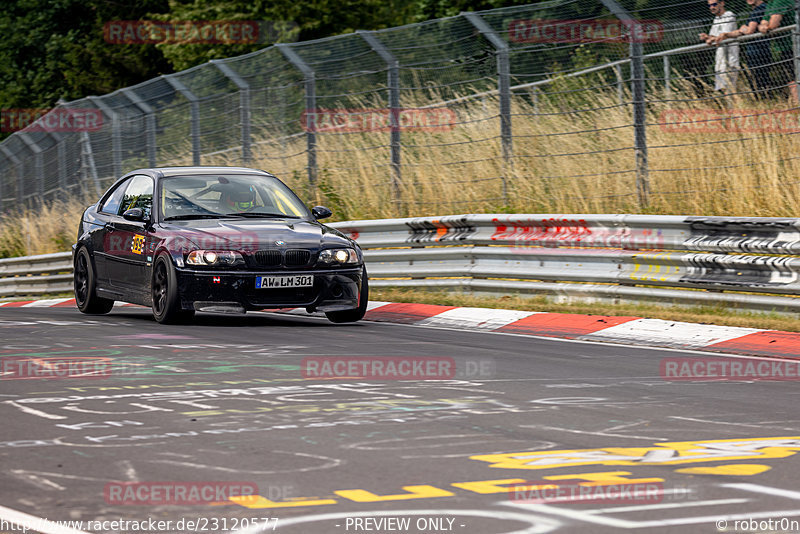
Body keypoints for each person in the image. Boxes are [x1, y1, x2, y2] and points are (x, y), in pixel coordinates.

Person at [712, 0, 770, 98]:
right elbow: (743, 30)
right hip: (754, 52)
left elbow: (749, 30)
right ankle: (763, 101)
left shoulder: (761, 8)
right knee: (756, 83)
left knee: (761, 84)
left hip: (759, 51)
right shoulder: (755, 10)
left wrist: (744, 28)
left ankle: (766, 102)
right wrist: (731, 33)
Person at [758, 0, 797, 100]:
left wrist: (767, 26)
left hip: (794, 45)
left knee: (795, 79)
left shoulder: (780, 0)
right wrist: (763, 26)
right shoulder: (771, 3)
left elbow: (774, 23)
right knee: (792, 79)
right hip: (785, 48)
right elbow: (763, 23)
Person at [699, 0, 739, 93]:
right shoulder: (716, 19)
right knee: (722, 90)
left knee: (731, 90)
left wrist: (713, 39)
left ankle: (734, 107)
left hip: (730, 59)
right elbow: (714, 36)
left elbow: (724, 35)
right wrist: (707, 37)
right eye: (709, 5)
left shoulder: (729, 15)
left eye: (714, 4)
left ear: (722, 3)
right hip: (720, 60)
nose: (711, 7)